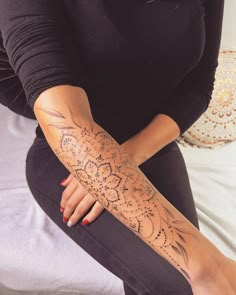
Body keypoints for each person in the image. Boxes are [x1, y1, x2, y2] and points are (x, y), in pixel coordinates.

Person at [0, 0, 235, 294]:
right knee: (184, 283)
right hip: (68, 158)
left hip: (150, 141)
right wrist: (208, 268)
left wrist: (125, 158)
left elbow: (200, 86)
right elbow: (65, 122)